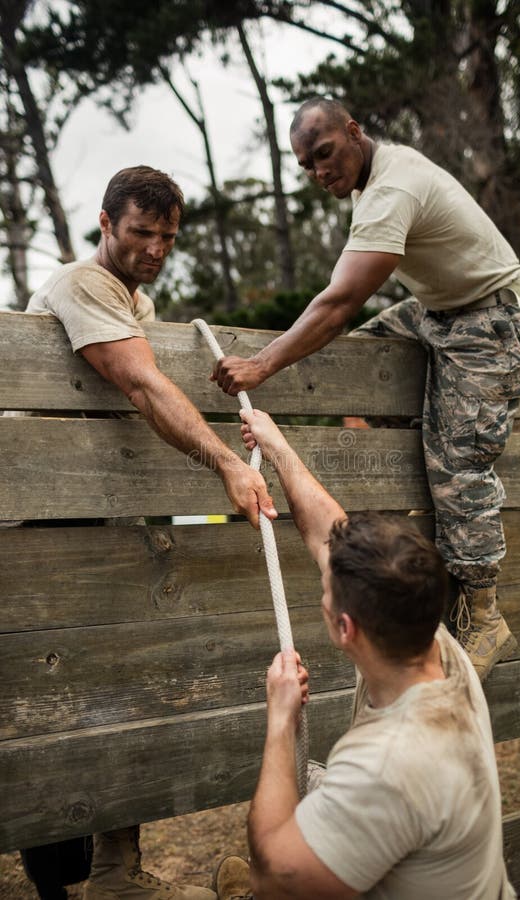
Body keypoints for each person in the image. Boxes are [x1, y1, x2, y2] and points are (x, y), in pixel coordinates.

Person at [211, 97, 520, 682]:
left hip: (491, 322)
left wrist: (261, 366)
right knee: (362, 354)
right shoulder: (373, 183)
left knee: (460, 467)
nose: (320, 172)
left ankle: (485, 612)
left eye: (325, 153)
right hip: (440, 310)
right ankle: (431, 432)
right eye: (307, 165)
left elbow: (339, 301)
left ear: (354, 132)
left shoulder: (392, 189)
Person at [18, 165, 272, 900]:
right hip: (43, 518)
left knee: (120, 677)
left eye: (167, 235)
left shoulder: (138, 299)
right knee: (53, 691)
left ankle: (115, 869)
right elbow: (142, 383)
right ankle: (64, 883)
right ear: (105, 223)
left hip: (100, 512)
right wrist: (226, 460)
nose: (156, 247)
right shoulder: (80, 285)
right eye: (140, 232)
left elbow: (153, 381)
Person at [219, 408, 516, 899]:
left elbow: (272, 876)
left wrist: (280, 721)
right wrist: (276, 447)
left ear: (345, 628)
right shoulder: (436, 645)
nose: (324, 585)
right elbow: (328, 532)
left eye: (325, 591)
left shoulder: (387, 764)